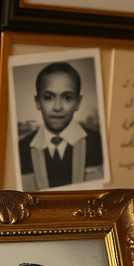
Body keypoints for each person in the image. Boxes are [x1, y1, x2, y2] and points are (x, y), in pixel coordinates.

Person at [18, 61, 104, 190]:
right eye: (48, 97)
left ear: (78, 103)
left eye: (67, 98)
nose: (57, 107)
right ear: (37, 102)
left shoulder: (99, 144)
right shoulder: (20, 150)